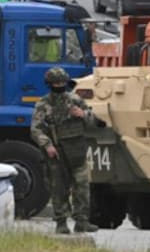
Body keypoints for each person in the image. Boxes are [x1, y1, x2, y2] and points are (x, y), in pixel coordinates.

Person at [30, 67, 103, 234]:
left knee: (82, 186)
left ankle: (82, 221)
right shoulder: (44, 104)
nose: (60, 86)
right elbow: (36, 129)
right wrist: (47, 145)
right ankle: (61, 222)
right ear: (49, 84)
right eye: (56, 83)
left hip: (77, 150)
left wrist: (83, 115)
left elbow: (97, 123)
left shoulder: (75, 100)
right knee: (59, 187)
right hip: (57, 151)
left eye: (62, 82)